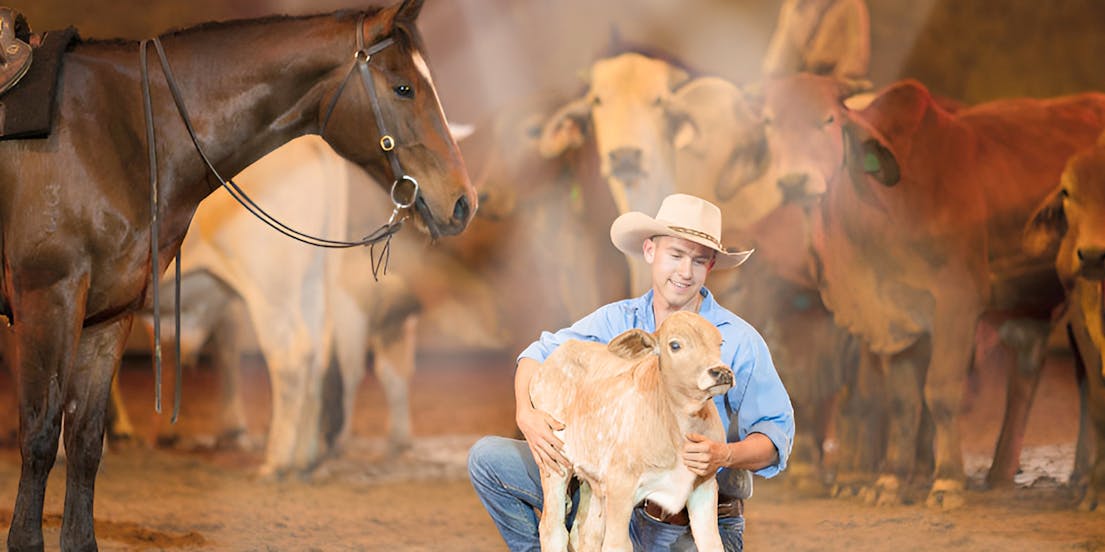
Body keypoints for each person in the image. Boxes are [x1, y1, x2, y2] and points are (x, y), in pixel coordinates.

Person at [468, 193, 795, 551]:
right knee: (488, 460)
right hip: (615, 493)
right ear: (650, 251)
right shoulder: (619, 322)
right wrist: (525, 412)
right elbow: (539, 353)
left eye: (698, 261)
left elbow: (775, 437)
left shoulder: (737, 339)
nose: (685, 272)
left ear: (711, 267)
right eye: (675, 255)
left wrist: (724, 455)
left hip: (685, 520)